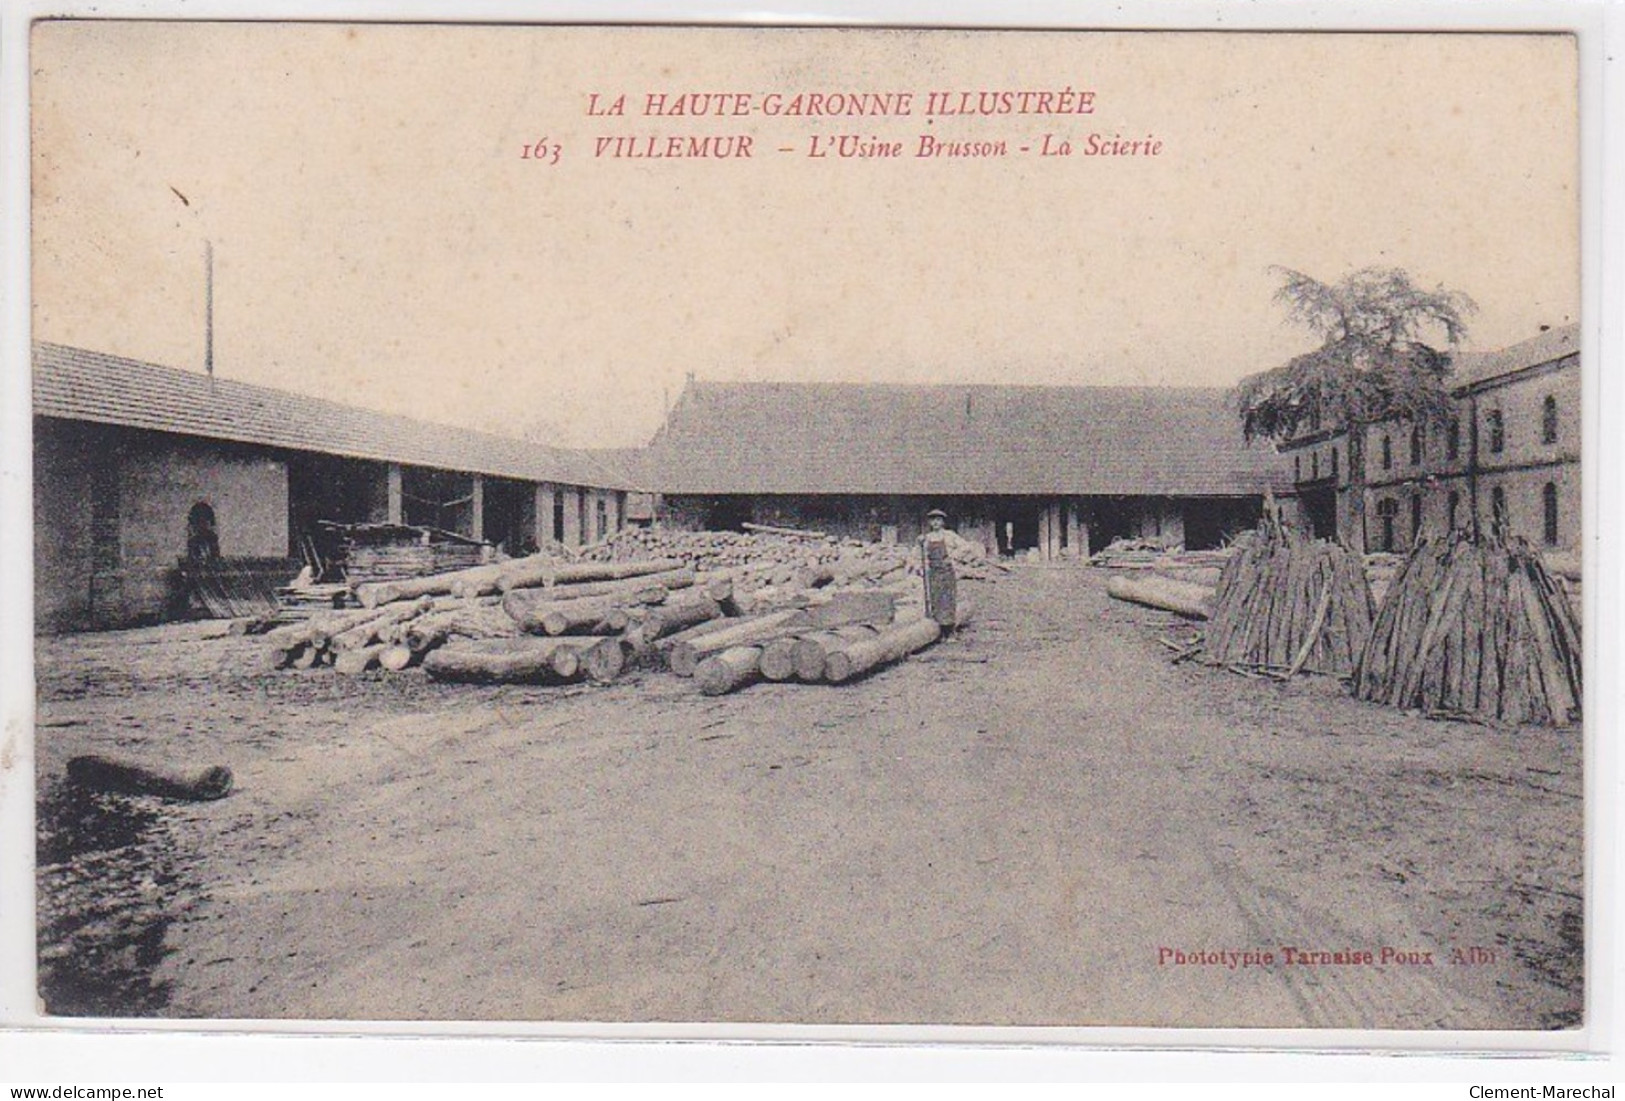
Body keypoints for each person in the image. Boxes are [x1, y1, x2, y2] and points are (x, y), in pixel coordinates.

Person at [920, 508, 958, 631]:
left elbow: (966, 547)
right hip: (933, 572)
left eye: (938, 520)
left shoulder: (949, 535)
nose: (935, 523)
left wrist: (952, 557)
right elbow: (921, 555)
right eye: (933, 520)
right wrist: (921, 567)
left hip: (946, 572)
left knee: (947, 599)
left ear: (942, 522)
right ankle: (937, 628)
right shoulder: (926, 538)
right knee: (935, 598)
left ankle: (950, 629)